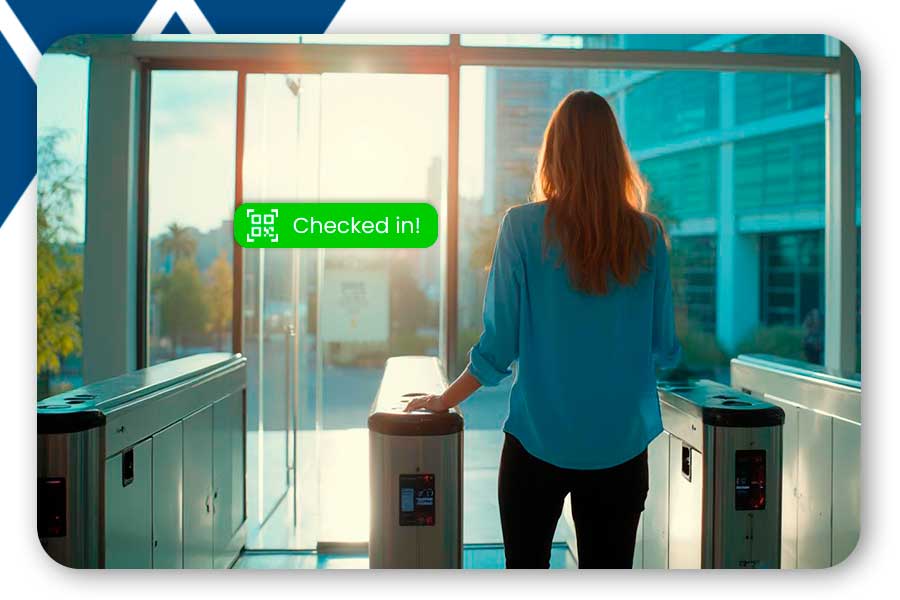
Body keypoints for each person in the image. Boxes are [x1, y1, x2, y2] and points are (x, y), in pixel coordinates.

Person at [405, 90, 681, 568]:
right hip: (620, 446)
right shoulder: (648, 235)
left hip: (538, 443)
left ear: (554, 152)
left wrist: (444, 400)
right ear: (615, 155)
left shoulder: (521, 227)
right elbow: (664, 345)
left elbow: (498, 346)